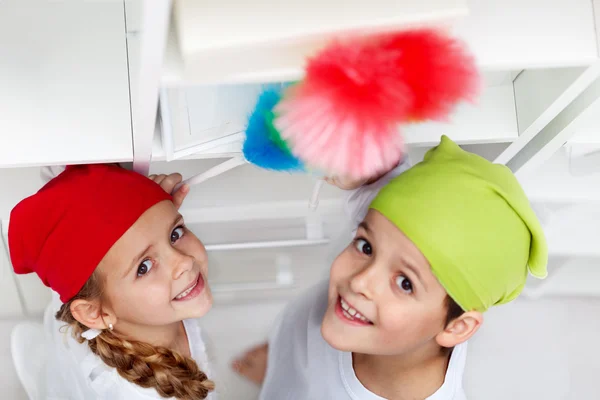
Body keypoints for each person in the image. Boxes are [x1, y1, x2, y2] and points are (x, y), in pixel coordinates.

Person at [234, 135, 548, 400]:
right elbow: (382, 186)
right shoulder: (396, 243)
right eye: (365, 246)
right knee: (294, 360)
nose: (361, 281)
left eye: (405, 283)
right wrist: (361, 165)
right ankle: (280, 360)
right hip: (307, 346)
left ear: (456, 327)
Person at [9, 164, 216, 400]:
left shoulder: (125, 303)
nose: (184, 262)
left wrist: (150, 212)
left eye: (175, 234)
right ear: (94, 313)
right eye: (144, 267)